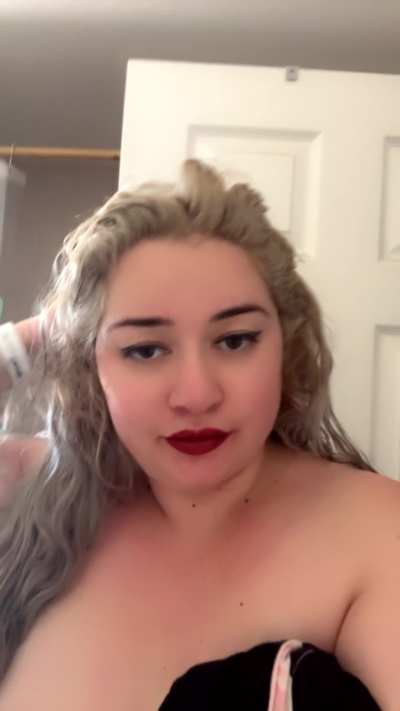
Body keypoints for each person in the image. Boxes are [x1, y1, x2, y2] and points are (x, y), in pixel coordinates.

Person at [0, 159, 396, 709]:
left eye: (235, 340)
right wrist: (39, 334)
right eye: (144, 349)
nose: (196, 394)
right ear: (90, 364)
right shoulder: (26, 487)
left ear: (285, 347)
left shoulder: (373, 529)